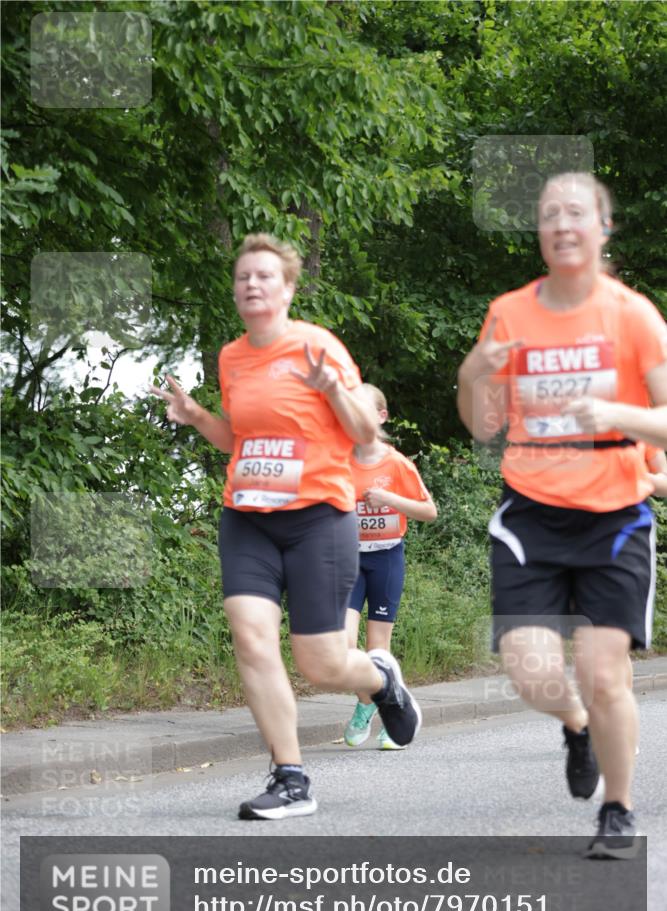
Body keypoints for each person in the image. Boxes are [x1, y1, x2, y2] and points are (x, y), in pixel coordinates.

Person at [150, 233, 421, 820]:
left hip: (318, 520)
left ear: (288, 288)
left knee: (321, 665)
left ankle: (380, 680)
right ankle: (291, 777)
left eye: (265, 276)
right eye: (243, 276)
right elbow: (238, 439)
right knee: (251, 637)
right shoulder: (232, 357)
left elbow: (363, 434)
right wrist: (196, 415)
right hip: (248, 518)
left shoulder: (318, 347)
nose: (252, 284)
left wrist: (333, 390)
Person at [457, 172, 667, 859]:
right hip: (531, 514)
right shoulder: (509, 313)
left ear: (603, 228)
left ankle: (617, 809)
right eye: (549, 214)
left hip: (615, 515)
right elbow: (481, 425)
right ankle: (575, 725)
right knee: (531, 673)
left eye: (576, 212)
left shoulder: (632, 315)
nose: (562, 224)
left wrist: (614, 413)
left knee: (604, 672)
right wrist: (472, 373)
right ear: (540, 233)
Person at [342, 384, 437, 750]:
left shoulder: (397, 464)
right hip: (349, 560)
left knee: (378, 649)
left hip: (386, 558)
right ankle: (369, 700)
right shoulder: (339, 461)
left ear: (381, 416)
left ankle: (389, 712)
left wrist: (389, 498)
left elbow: (429, 511)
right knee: (344, 647)